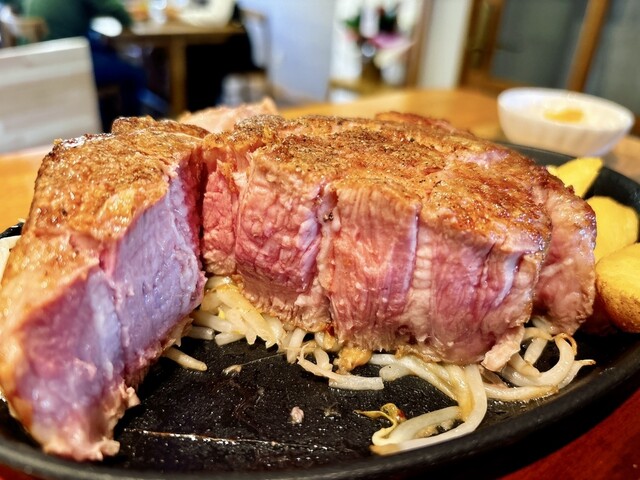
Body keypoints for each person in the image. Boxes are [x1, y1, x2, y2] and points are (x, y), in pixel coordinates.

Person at [19, 0, 148, 125]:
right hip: (65, 60)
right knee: (133, 73)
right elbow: (113, 8)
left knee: (106, 49)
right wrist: (128, 21)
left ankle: (106, 117)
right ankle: (130, 130)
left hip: (38, 58)